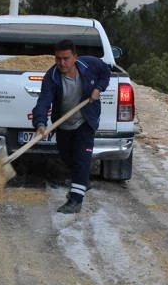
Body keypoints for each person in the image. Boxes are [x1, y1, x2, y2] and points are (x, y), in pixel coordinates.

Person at [32, 39, 110, 213]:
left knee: (82, 157)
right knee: (68, 157)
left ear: (75, 57)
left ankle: (75, 200)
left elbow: (105, 72)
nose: (62, 63)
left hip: (85, 119)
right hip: (64, 124)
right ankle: (82, 181)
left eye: (66, 58)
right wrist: (40, 124)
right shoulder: (51, 78)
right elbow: (43, 103)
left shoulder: (90, 65)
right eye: (58, 58)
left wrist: (99, 88)